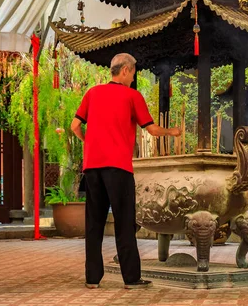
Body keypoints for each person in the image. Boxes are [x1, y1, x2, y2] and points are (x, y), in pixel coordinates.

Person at [71, 53, 181, 290]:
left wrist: (87, 142)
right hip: (118, 167)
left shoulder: (92, 93)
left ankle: (92, 279)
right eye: (132, 72)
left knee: (94, 222)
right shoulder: (132, 95)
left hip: (92, 167)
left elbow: (74, 126)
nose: (133, 77)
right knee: (124, 222)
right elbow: (151, 129)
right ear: (125, 70)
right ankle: (131, 279)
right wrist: (171, 132)